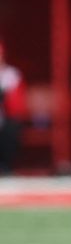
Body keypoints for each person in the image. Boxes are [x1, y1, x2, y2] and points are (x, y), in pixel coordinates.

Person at [0, 40, 27, 174]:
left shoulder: (11, 74)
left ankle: (5, 167)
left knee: (12, 126)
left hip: (6, 120)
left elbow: (17, 107)